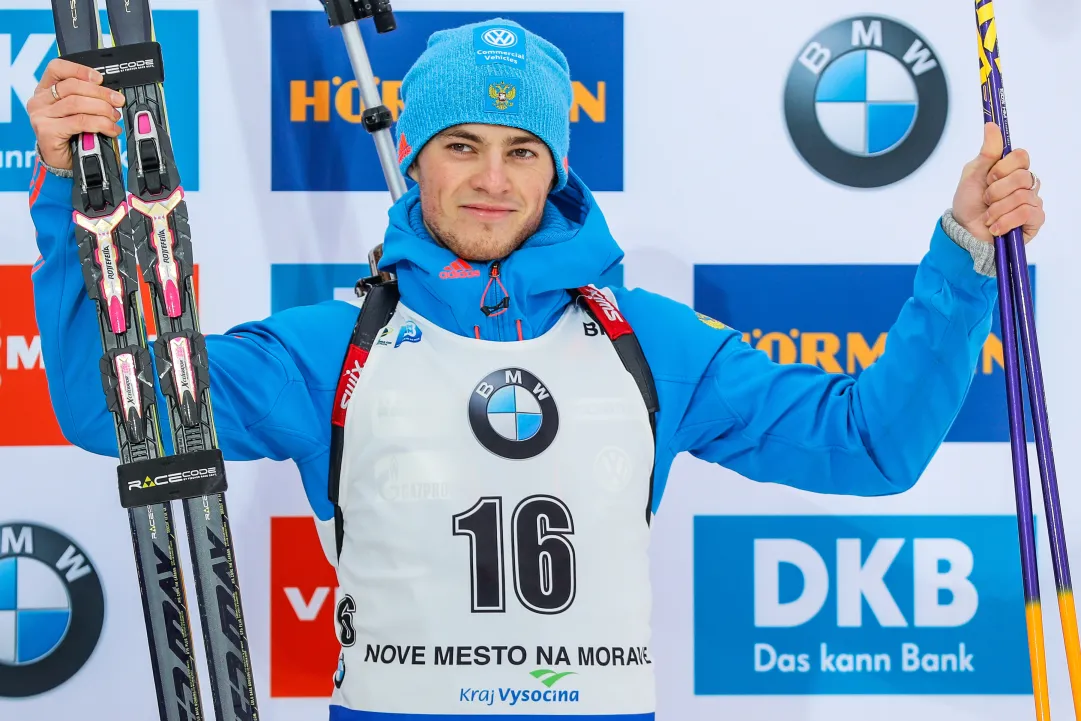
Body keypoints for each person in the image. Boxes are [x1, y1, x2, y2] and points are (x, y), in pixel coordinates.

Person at [27, 17, 1043, 721]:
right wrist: (68, 186)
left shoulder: (648, 341)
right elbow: (107, 409)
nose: (491, 178)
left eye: (522, 149)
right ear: (414, 157)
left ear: (556, 167)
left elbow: (869, 444)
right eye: (460, 144)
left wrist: (960, 249)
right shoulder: (330, 344)